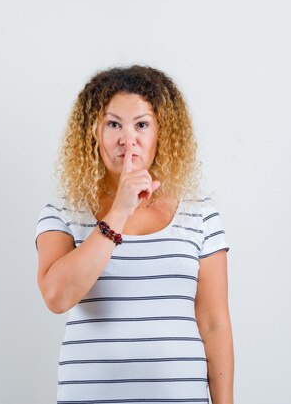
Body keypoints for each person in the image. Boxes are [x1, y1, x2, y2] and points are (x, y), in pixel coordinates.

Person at [35, 65, 234, 404]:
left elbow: (214, 323)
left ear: (162, 133)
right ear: (92, 133)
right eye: (113, 124)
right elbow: (56, 297)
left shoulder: (199, 213)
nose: (128, 140)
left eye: (141, 124)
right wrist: (120, 211)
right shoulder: (64, 212)